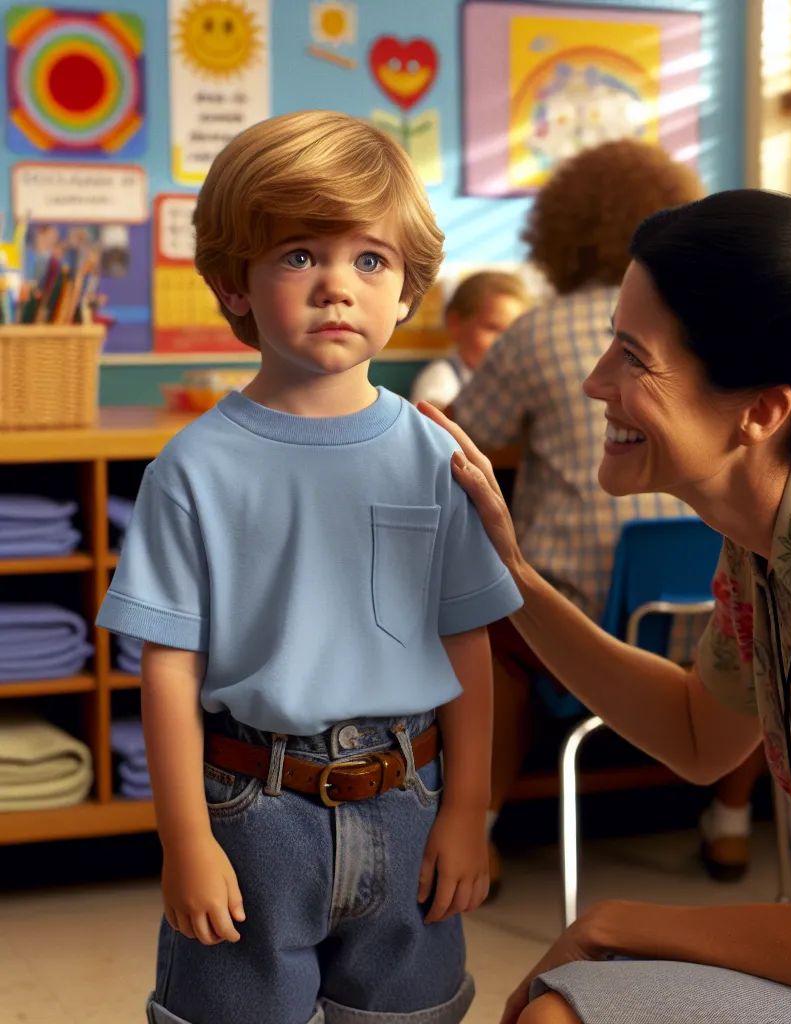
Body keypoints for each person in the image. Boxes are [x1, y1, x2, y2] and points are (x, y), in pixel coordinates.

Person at [420, 183, 791, 1024]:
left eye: (633, 357)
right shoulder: (778, 533)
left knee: (569, 1010)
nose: (597, 383)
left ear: (762, 411)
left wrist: (612, 923)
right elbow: (701, 735)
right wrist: (511, 577)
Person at [96, 110, 522, 1024]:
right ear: (233, 284)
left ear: (408, 287)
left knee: (412, 1014)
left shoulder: (433, 452)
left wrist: (467, 812)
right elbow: (170, 669)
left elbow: (468, 643)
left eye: (369, 259)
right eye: (298, 255)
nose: (337, 285)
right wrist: (185, 840)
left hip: (412, 793)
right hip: (252, 811)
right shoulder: (192, 468)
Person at [450, 138, 762, 887]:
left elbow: (464, 438)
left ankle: (479, 824)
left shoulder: (537, 330)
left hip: (582, 617)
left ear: (556, 236)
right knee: (759, 638)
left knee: (493, 635)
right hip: (704, 608)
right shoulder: (711, 329)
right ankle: (729, 821)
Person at [409, 270, 530, 409]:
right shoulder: (440, 379)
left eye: (512, 332)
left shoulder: (512, 379)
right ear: (455, 324)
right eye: (492, 328)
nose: (504, 343)